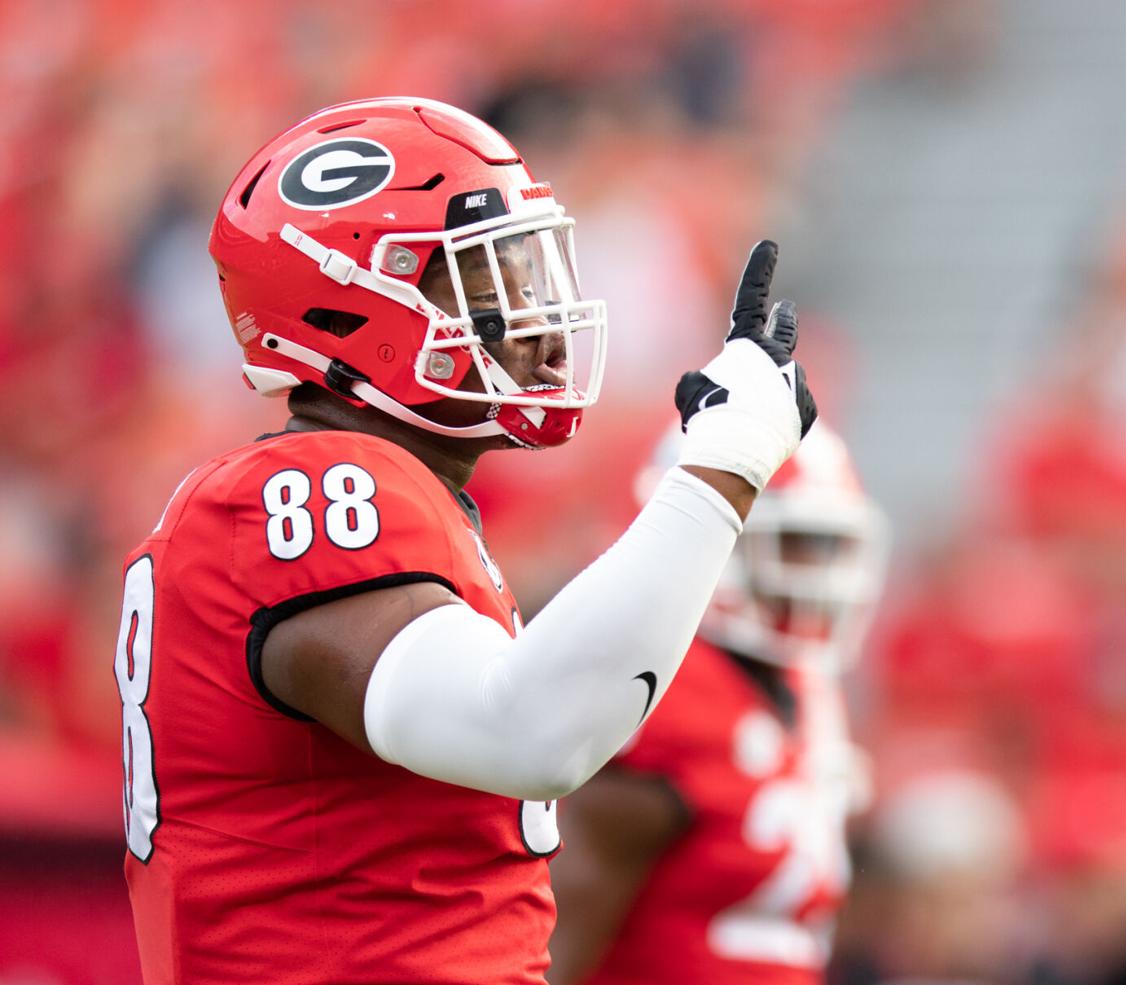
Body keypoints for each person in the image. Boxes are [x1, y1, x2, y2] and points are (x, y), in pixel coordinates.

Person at [113, 97, 817, 985]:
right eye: (488, 285)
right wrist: (723, 465)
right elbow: (536, 730)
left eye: (528, 274)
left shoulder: (395, 499)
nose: (531, 314)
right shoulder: (306, 494)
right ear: (348, 308)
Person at [547, 423, 886, 985]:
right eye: (793, 544)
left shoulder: (807, 685)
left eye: (825, 547)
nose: (814, 572)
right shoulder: (664, 687)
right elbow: (562, 923)